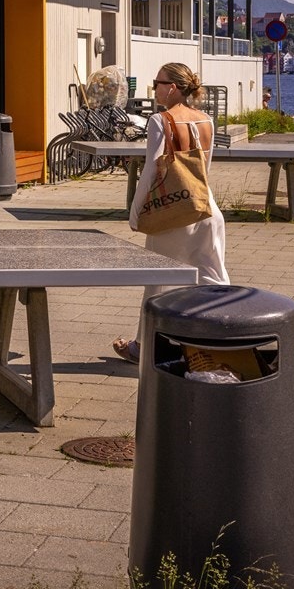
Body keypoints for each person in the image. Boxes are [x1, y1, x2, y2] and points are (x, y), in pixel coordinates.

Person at [112, 63, 228, 365]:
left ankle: (144, 348)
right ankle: (226, 339)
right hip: (207, 209)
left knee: (157, 281)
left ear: (172, 87)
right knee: (214, 278)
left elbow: (151, 170)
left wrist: (136, 212)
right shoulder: (206, 121)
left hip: (174, 212)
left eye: (157, 83)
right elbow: (204, 170)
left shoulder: (160, 120)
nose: (155, 88)